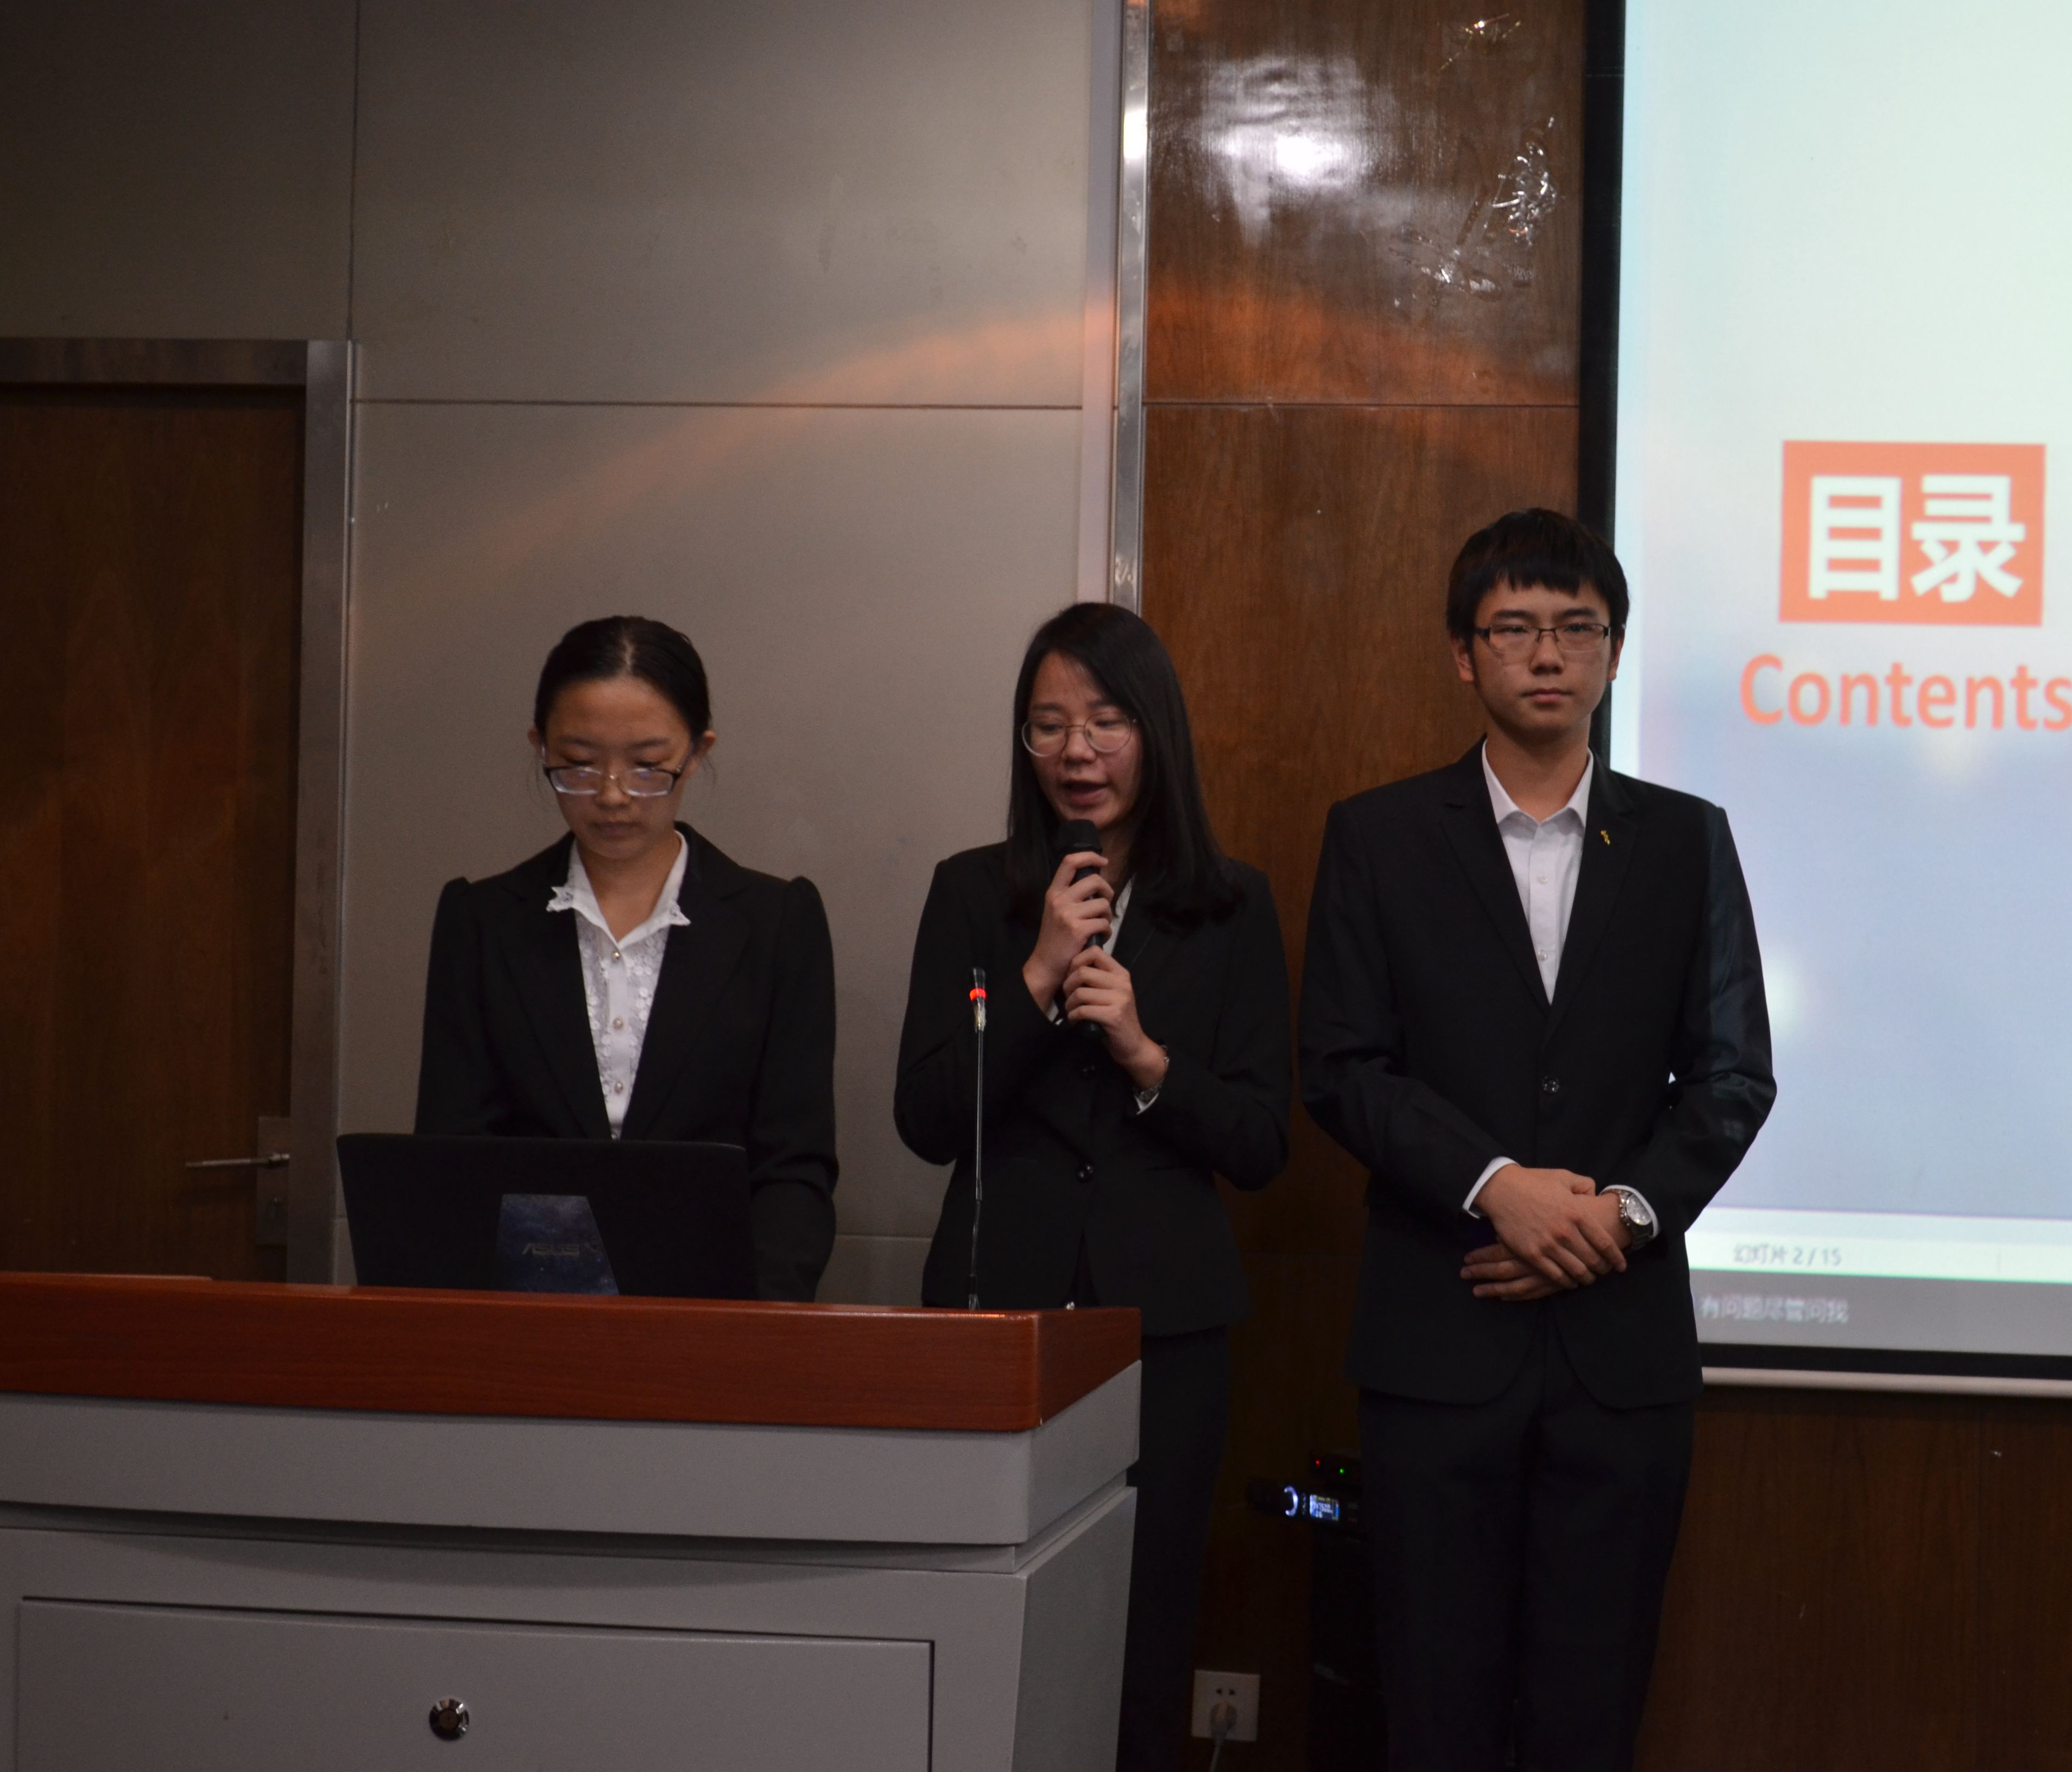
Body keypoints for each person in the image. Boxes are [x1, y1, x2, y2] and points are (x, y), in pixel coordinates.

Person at [1299, 510, 1777, 1771]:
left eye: (1577, 627)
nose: (1548, 654)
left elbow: (1733, 1074)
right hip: (1438, 1337)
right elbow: (1340, 1067)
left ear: (1613, 652)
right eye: (1514, 628)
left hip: (1621, 1356)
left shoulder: (1685, 839)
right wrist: (1494, 1185)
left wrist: (1615, 1217)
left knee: (1590, 1714)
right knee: (1432, 1709)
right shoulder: (1380, 836)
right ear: (1464, 655)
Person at [895, 603, 1291, 1772]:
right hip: (996, 1310)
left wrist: (1147, 1056)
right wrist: (1033, 977)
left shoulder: (1231, 904)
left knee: (1147, 1624)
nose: (1078, 750)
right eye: (1049, 724)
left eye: (1107, 720)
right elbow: (924, 1119)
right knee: (985, 1611)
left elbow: (1263, 1141)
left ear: (1154, 730)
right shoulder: (972, 891)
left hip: (1165, 1327)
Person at [414, 616, 838, 1302]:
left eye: (647, 766)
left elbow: (794, 1167)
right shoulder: (483, 920)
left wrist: (756, 1319)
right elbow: (453, 1158)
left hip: (718, 1311)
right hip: (525, 1311)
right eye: (578, 764)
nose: (612, 795)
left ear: (696, 752)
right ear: (540, 746)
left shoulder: (775, 922)